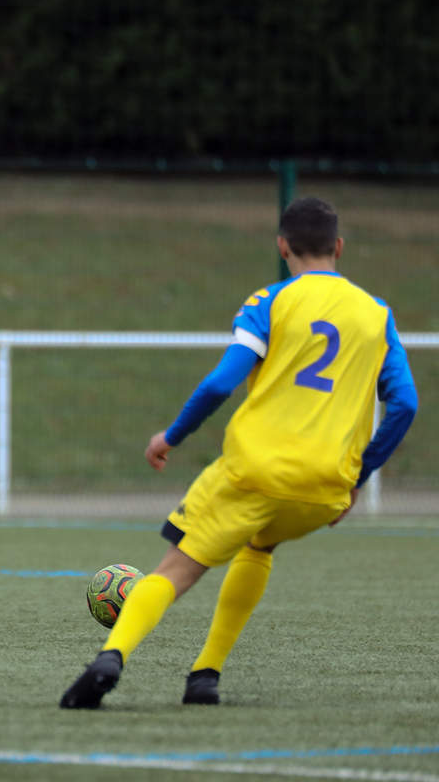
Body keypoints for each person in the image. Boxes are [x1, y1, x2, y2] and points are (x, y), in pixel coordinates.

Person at [59, 197, 418, 710]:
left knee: (174, 570)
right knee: (259, 546)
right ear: (339, 247)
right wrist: (358, 476)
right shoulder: (377, 314)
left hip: (253, 470)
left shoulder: (269, 302)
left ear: (282, 246)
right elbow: (405, 403)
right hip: (323, 489)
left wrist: (172, 436)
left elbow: (220, 382)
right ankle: (205, 675)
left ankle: (110, 657)